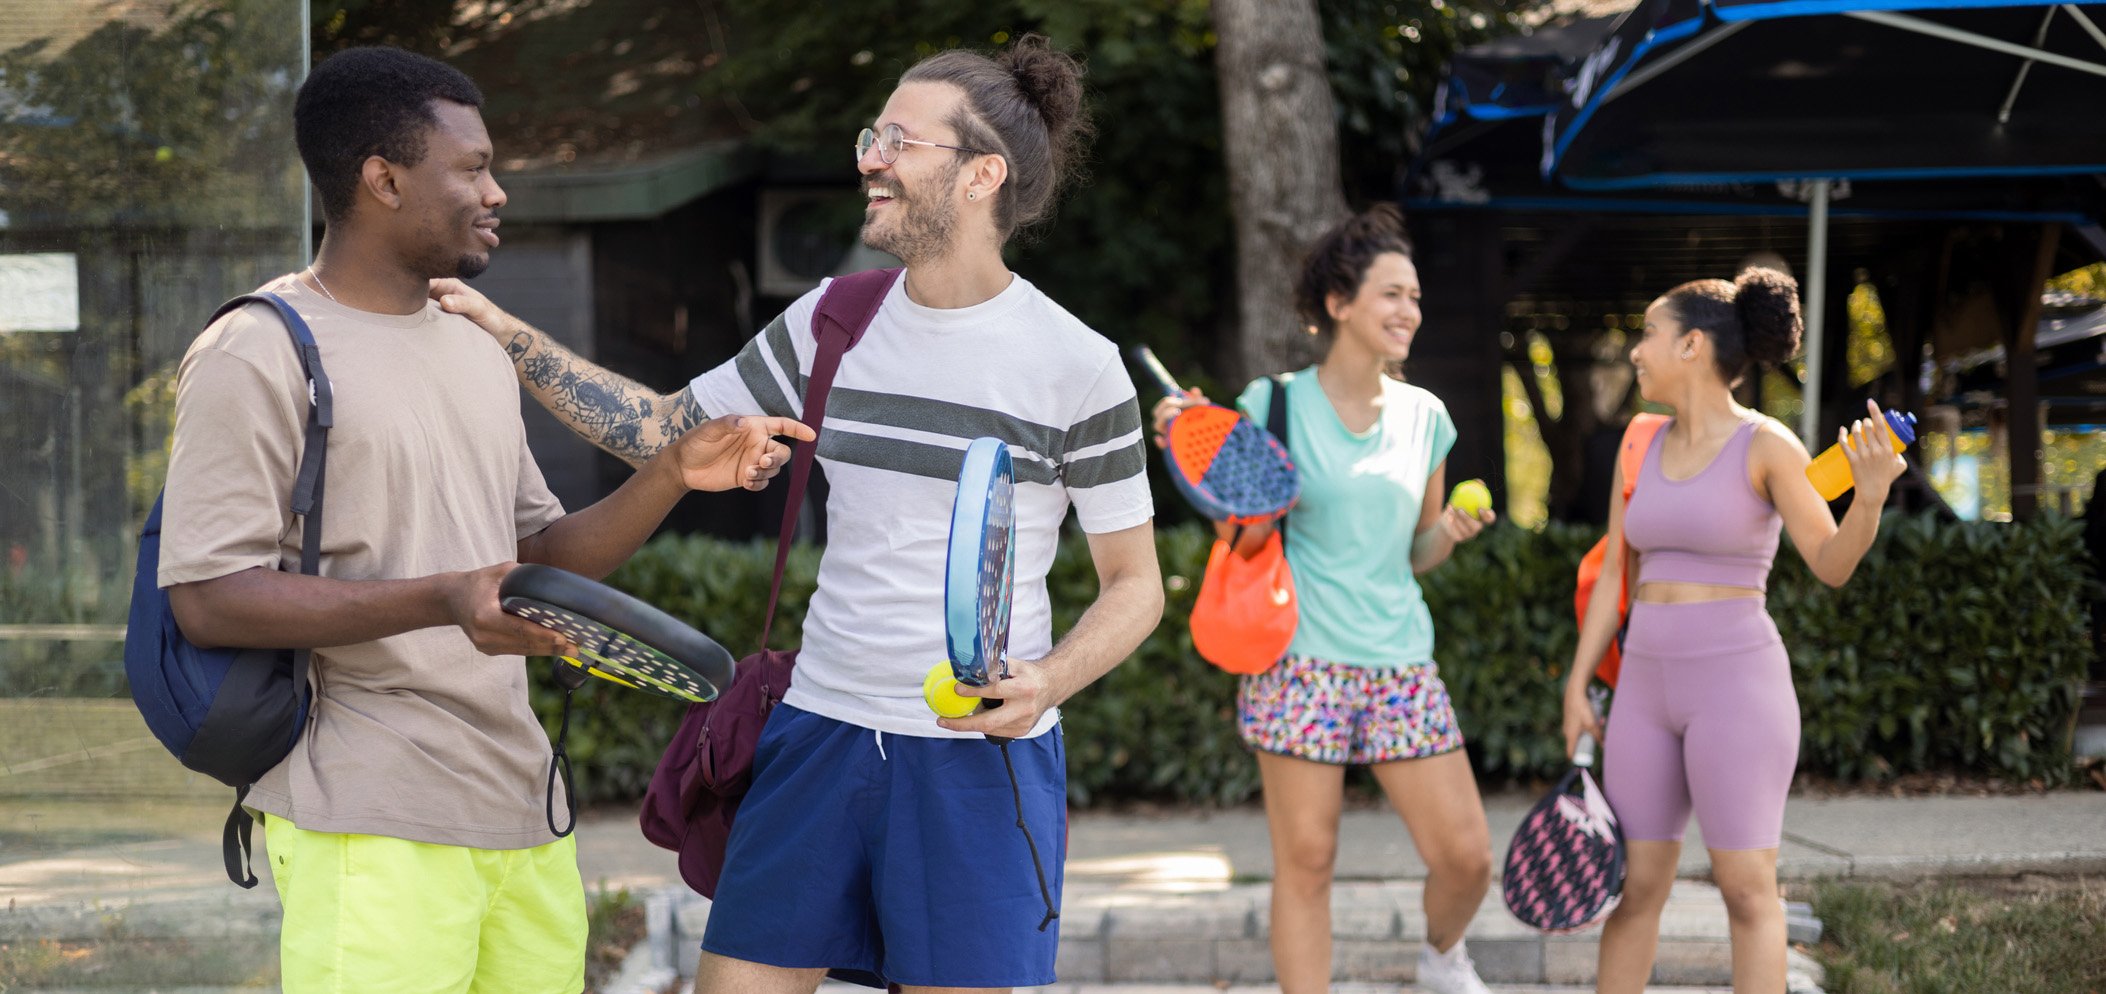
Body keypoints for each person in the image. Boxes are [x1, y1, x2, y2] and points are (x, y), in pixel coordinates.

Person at [432, 35, 1163, 994]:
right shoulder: (832, 321)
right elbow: (660, 429)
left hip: (977, 764)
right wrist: (504, 332)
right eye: (873, 135)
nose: (869, 157)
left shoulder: (1077, 365)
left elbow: (1135, 584)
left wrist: (1050, 681)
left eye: (899, 140)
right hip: (817, 731)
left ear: (984, 173)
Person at [158, 46, 810, 994]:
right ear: (382, 179)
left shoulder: (471, 344)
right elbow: (209, 599)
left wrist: (670, 472)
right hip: (366, 810)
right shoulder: (256, 349)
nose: (497, 191)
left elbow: (538, 559)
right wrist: (446, 599)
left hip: (519, 808)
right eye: (471, 168)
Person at [1149, 204, 1497, 994]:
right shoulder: (1272, 404)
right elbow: (1244, 537)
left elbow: (1412, 553)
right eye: (1391, 294)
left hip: (1400, 661)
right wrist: (1190, 447)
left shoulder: (1426, 418)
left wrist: (1448, 530)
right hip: (1299, 661)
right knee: (1307, 862)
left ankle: (1443, 957)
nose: (1409, 309)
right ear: (1340, 304)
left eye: (1414, 295)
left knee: (1468, 857)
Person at [1563, 269, 1905, 994]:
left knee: (1748, 892)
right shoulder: (1638, 442)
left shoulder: (1767, 446)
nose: (1636, 351)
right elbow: (1616, 577)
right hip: (1644, 692)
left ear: (1691, 345)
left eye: (1648, 335)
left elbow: (1829, 563)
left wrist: (1867, 502)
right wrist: (1577, 684)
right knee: (1634, 892)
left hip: (1737, 689)